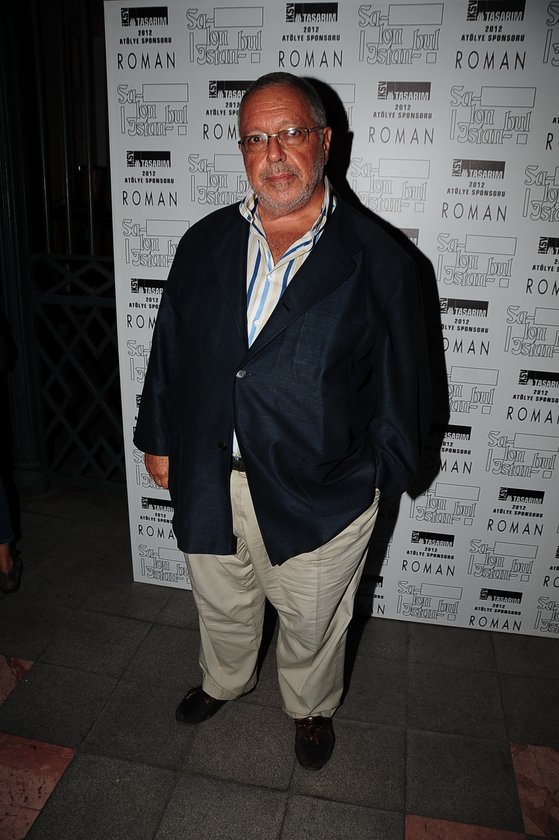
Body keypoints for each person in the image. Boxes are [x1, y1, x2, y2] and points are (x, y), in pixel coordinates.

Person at [134, 72, 430, 770]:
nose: (273, 154)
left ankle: (310, 707)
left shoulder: (381, 260)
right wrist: (158, 439)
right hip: (208, 471)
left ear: (323, 141)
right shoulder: (204, 240)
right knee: (220, 601)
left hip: (318, 490)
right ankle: (223, 680)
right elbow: (170, 347)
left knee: (313, 620)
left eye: (290, 133)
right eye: (255, 138)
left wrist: (374, 477)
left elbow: (409, 389)